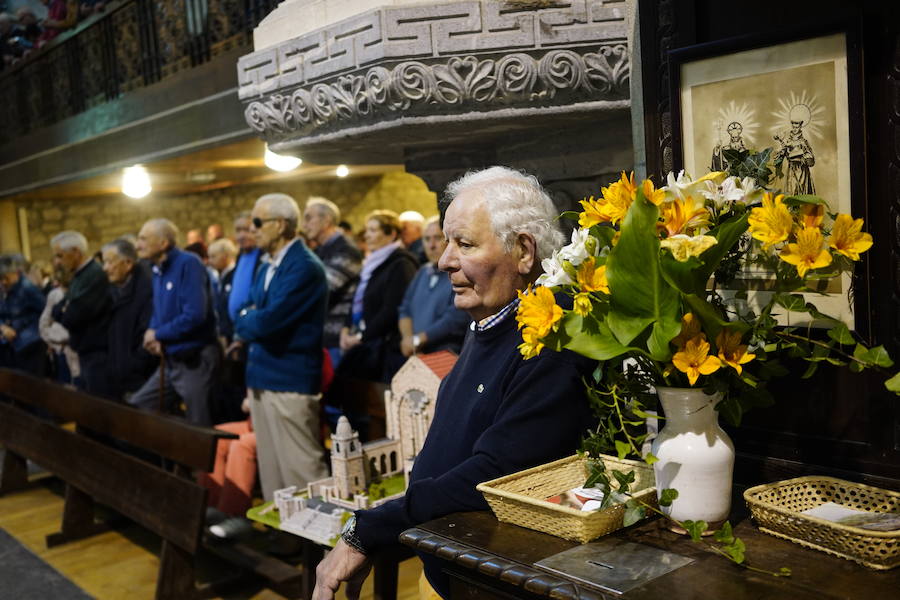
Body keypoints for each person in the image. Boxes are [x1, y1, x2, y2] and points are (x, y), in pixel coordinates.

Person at [312, 167, 595, 600]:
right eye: (447, 242)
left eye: (464, 244)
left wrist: (370, 527)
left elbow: (496, 476)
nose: (444, 260)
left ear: (523, 252)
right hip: (454, 571)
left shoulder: (550, 338)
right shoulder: (489, 319)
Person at [233, 193, 330, 500]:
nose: (253, 228)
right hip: (263, 377)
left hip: (289, 380)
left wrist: (250, 319)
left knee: (303, 472)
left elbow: (265, 322)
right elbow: (243, 313)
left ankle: (327, 545)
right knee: (274, 472)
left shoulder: (304, 267)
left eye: (258, 222)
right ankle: (289, 543)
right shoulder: (267, 266)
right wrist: (249, 318)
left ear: (281, 224)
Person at [128, 219, 219, 426]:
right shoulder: (157, 269)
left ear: (163, 243)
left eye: (143, 239)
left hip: (194, 359)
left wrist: (159, 334)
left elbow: (195, 315)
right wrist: (152, 331)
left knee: (199, 426)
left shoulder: (188, 263)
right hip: (171, 357)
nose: (138, 245)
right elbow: (160, 311)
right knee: (139, 405)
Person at [338, 210, 418, 382]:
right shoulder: (371, 263)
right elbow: (359, 296)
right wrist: (345, 329)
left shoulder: (401, 263)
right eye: (367, 230)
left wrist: (361, 337)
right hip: (365, 339)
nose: (367, 235)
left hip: (384, 347)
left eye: (373, 230)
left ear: (391, 234)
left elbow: (392, 309)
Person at [50, 231, 112, 396]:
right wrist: (65, 309)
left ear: (76, 252)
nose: (57, 262)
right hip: (84, 350)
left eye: (60, 256)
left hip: (97, 352)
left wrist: (65, 309)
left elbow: (72, 317)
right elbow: (57, 310)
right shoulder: (78, 276)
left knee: (98, 405)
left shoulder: (93, 274)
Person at [303, 196, 362, 367]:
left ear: (326, 220)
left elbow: (322, 289)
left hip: (335, 338)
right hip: (321, 336)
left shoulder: (345, 249)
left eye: (308, 218)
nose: (304, 225)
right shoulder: (320, 249)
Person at [398, 216, 468, 357]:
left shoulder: (460, 273)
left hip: (446, 355)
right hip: (415, 353)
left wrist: (418, 340)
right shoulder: (422, 272)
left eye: (437, 238)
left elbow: (456, 318)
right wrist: (408, 339)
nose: (431, 245)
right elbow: (405, 309)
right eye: (426, 239)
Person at [101, 238, 155, 401]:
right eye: (104, 263)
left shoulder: (146, 289)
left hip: (141, 377)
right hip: (120, 376)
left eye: (110, 262)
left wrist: (133, 365)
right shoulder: (112, 290)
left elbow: (147, 333)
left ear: (128, 264)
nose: (105, 268)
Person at [0, 254, 47, 377]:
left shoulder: (28, 289)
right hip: (10, 346)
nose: (3, 282)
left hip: (31, 345)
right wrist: (3, 327)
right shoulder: (3, 289)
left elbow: (46, 313)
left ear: (16, 273)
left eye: (6, 278)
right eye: (0, 278)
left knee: (32, 386)